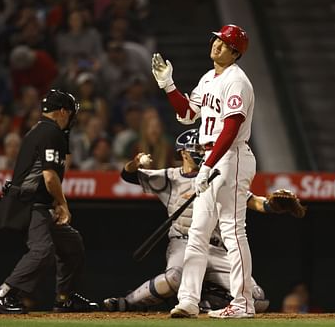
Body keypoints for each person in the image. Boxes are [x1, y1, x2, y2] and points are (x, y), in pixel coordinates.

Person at [102, 129, 269, 313]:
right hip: (184, 242)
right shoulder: (171, 177)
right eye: (196, 149)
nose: (201, 153)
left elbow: (252, 200)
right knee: (173, 278)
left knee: (256, 297)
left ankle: (207, 300)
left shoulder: (219, 175)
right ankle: (128, 302)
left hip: (216, 247)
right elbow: (128, 175)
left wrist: (270, 204)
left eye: (203, 149)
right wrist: (135, 163)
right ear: (183, 152)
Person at [152, 24, 256, 318]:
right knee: (197, 233)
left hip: (231, 157)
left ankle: (242, 302)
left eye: (224, 43)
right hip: (212, 157)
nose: (217, 45)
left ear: (235, 52)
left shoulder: (236, 81)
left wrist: (208, 165)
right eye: (216, 40)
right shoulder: (209, 78)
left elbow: (232, 127)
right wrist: (169, 86)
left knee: (233, 231)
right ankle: (188, 300)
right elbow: (187, 114)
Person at [0, 89, 98, 314]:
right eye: (70, 113)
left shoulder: (40, 130)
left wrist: (55, 203)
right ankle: (6, 294)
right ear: (61, 112)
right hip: (31, 203)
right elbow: (49, 177)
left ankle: (64, 298)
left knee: (72, 244)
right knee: (42, 250)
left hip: (37, 202)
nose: (71, 119)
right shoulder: (51, 132)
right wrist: (63, 204)